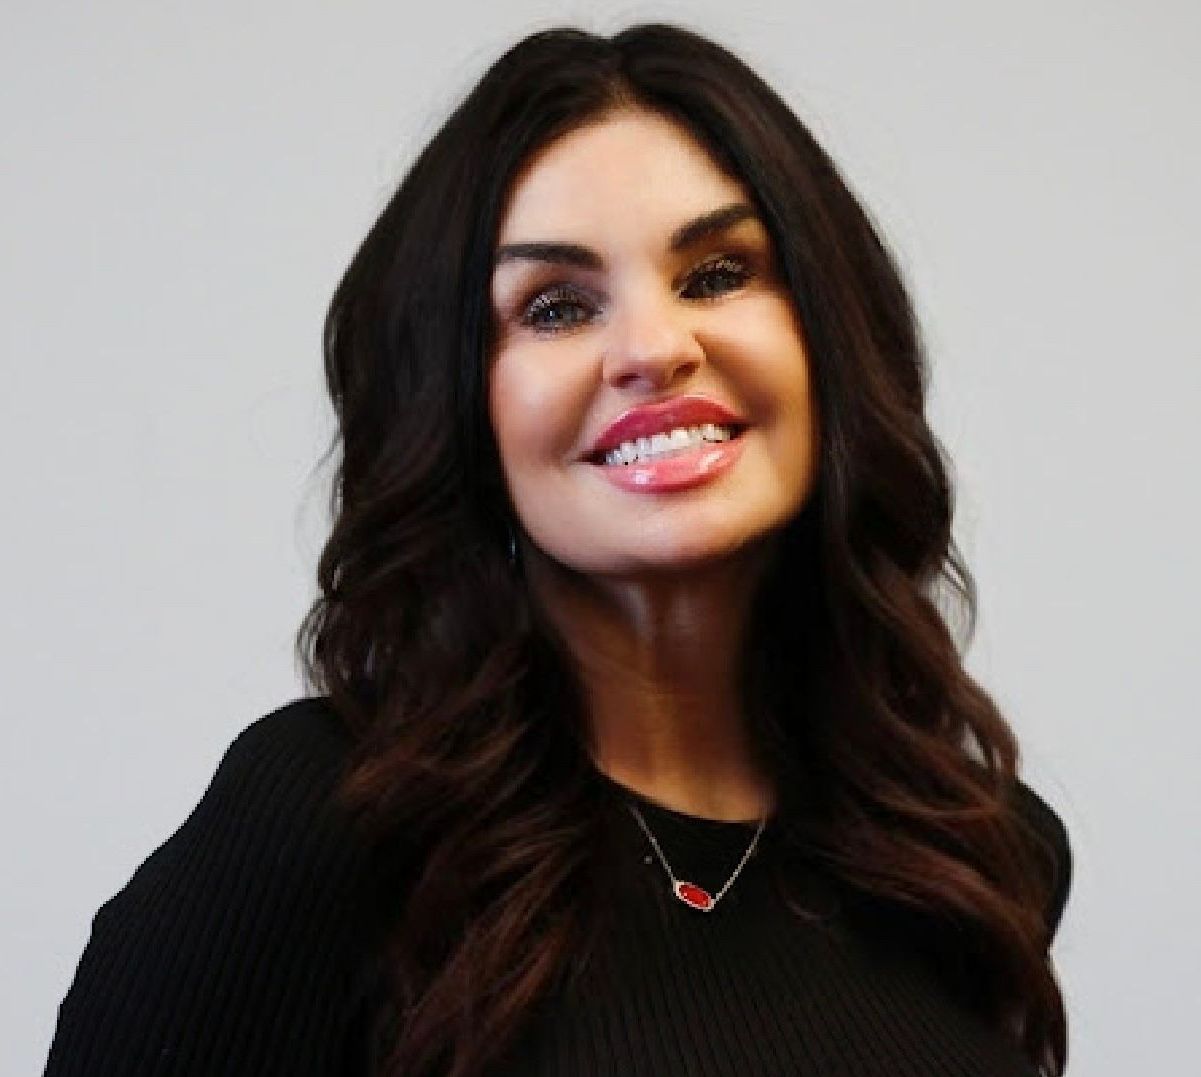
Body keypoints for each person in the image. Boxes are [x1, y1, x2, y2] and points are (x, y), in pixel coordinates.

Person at [43, 21, 1072, 1077]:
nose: (654, 349)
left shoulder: (976, 854)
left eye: (717, 274)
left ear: (828, 333)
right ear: (459, 408)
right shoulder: (332, 827)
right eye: (556, 307)